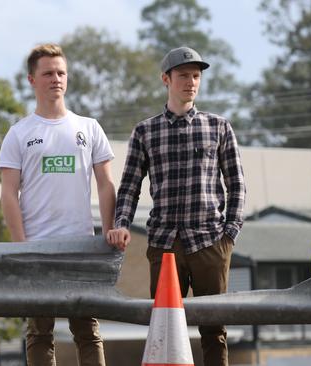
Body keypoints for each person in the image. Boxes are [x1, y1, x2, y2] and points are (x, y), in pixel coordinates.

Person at [107, 46, 246, 366]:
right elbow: (129, 186)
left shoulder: (219, 127)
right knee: (165, 328)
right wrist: (122, 223)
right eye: (184, 75)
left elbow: (236, 183)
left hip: (210, 241)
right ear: (165, 79)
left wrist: (230, 235)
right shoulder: (145, 131)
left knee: (215, 329)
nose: (191, 82)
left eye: (196, 76)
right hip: (164, 244)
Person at [0, 43, 115, 366]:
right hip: (37, 249)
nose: (56, 79)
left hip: (81, 248)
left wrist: (109, 234)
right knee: (39, 332)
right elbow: (9, 193)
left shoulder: (89, 127)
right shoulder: (19, 133)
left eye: (61, 72)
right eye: (48, 73)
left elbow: (106, 185)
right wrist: (20, 246)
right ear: (32, 80)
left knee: (87, 330)